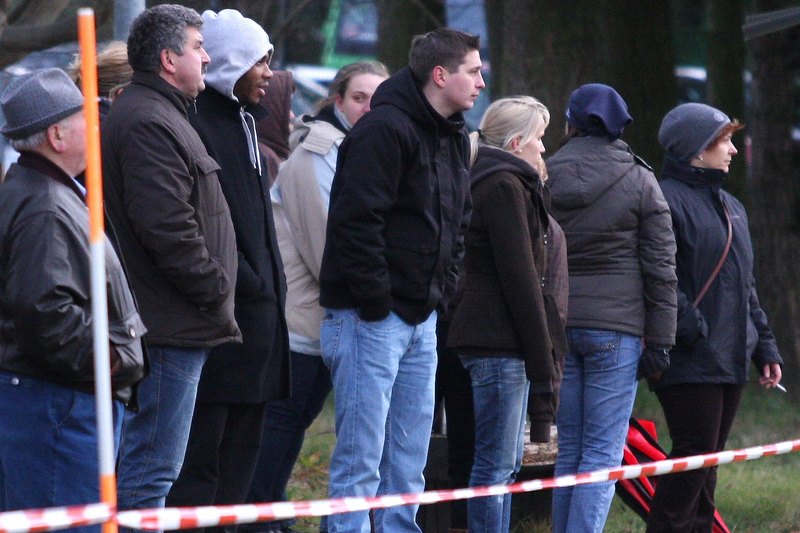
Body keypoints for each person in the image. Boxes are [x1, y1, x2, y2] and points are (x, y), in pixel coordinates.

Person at [318, 28, 484, 533]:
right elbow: (355, 222)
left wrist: (440, 294)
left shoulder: (453, 135)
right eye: (474, 71)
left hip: (421, 317)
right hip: (370, 317)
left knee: (408, 462)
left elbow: (458, 221)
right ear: (441, 75)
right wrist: (377, 301)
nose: (481, 82)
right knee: (361, 460)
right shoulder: (383, 130)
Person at [101, 4, 240, 519]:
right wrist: (214, 288)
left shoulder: (161, 114)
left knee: (152, 469)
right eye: (198, 47)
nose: (207, 58)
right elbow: (166, 228)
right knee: (150, 473)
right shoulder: (148, 121)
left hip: (175, 320)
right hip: (168, 325)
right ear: (167, 58)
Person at [244, 60, 388, 533]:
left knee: (293, 424)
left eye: (378, 99)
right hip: (301, 321)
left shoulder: (361, 150)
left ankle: (270, 515)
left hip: (324, 317)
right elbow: (329, 249)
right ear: (337, 100)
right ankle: (259, 520)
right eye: (359, 98)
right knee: (281, 425)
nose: (368, 108)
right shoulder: (318, 154)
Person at [0, 68, 146, 528]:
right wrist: (113, 360)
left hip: (59, 401)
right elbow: (45, 314)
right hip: (60, 406)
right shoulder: (45, 205)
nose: (97, 127)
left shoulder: (46, 192)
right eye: (87, 119)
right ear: (57, 135)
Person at [164, 10, 290, 529]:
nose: (269, 73)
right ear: (233, 62)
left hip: (257, 325)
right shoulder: (199, 124)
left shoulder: (246, 123)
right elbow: (206, 224)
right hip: (223, 326)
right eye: (260, 61)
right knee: (203, 464)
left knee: (241, 460)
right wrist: (247, 286)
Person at [645, 103, 784, 532]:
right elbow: (658, 275)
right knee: (693, 458)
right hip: (689, 356)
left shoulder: (732, 205)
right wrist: (690, 328)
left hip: (731, 355)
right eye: (725, 141)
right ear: (696, 149)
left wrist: (764, 347)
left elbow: (746, 285)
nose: (734, 150)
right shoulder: (664, 199)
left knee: (708, 465)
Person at [546, 83, 677, 533]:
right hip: (617, 329)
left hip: (559, 324)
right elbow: (661, 268)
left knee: (570, 448)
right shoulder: (640, 180)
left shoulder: (543, 173)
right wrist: (661, 341)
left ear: (571, 123)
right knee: (602, 453)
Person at [447, 95, 559, 533]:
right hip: (498, 339)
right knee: (496, 466)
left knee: (504, 464)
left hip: (498, 337)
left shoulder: (500, 181)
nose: (543, 148)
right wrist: (541, 356)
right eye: (539, 138)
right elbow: (521, 279)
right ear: (516, 142)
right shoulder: (503, 187)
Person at [255, 69, 295, 186]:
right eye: (286, 108)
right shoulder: (266, 158)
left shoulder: (270, 154)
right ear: (273, 109)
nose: (292, 115)